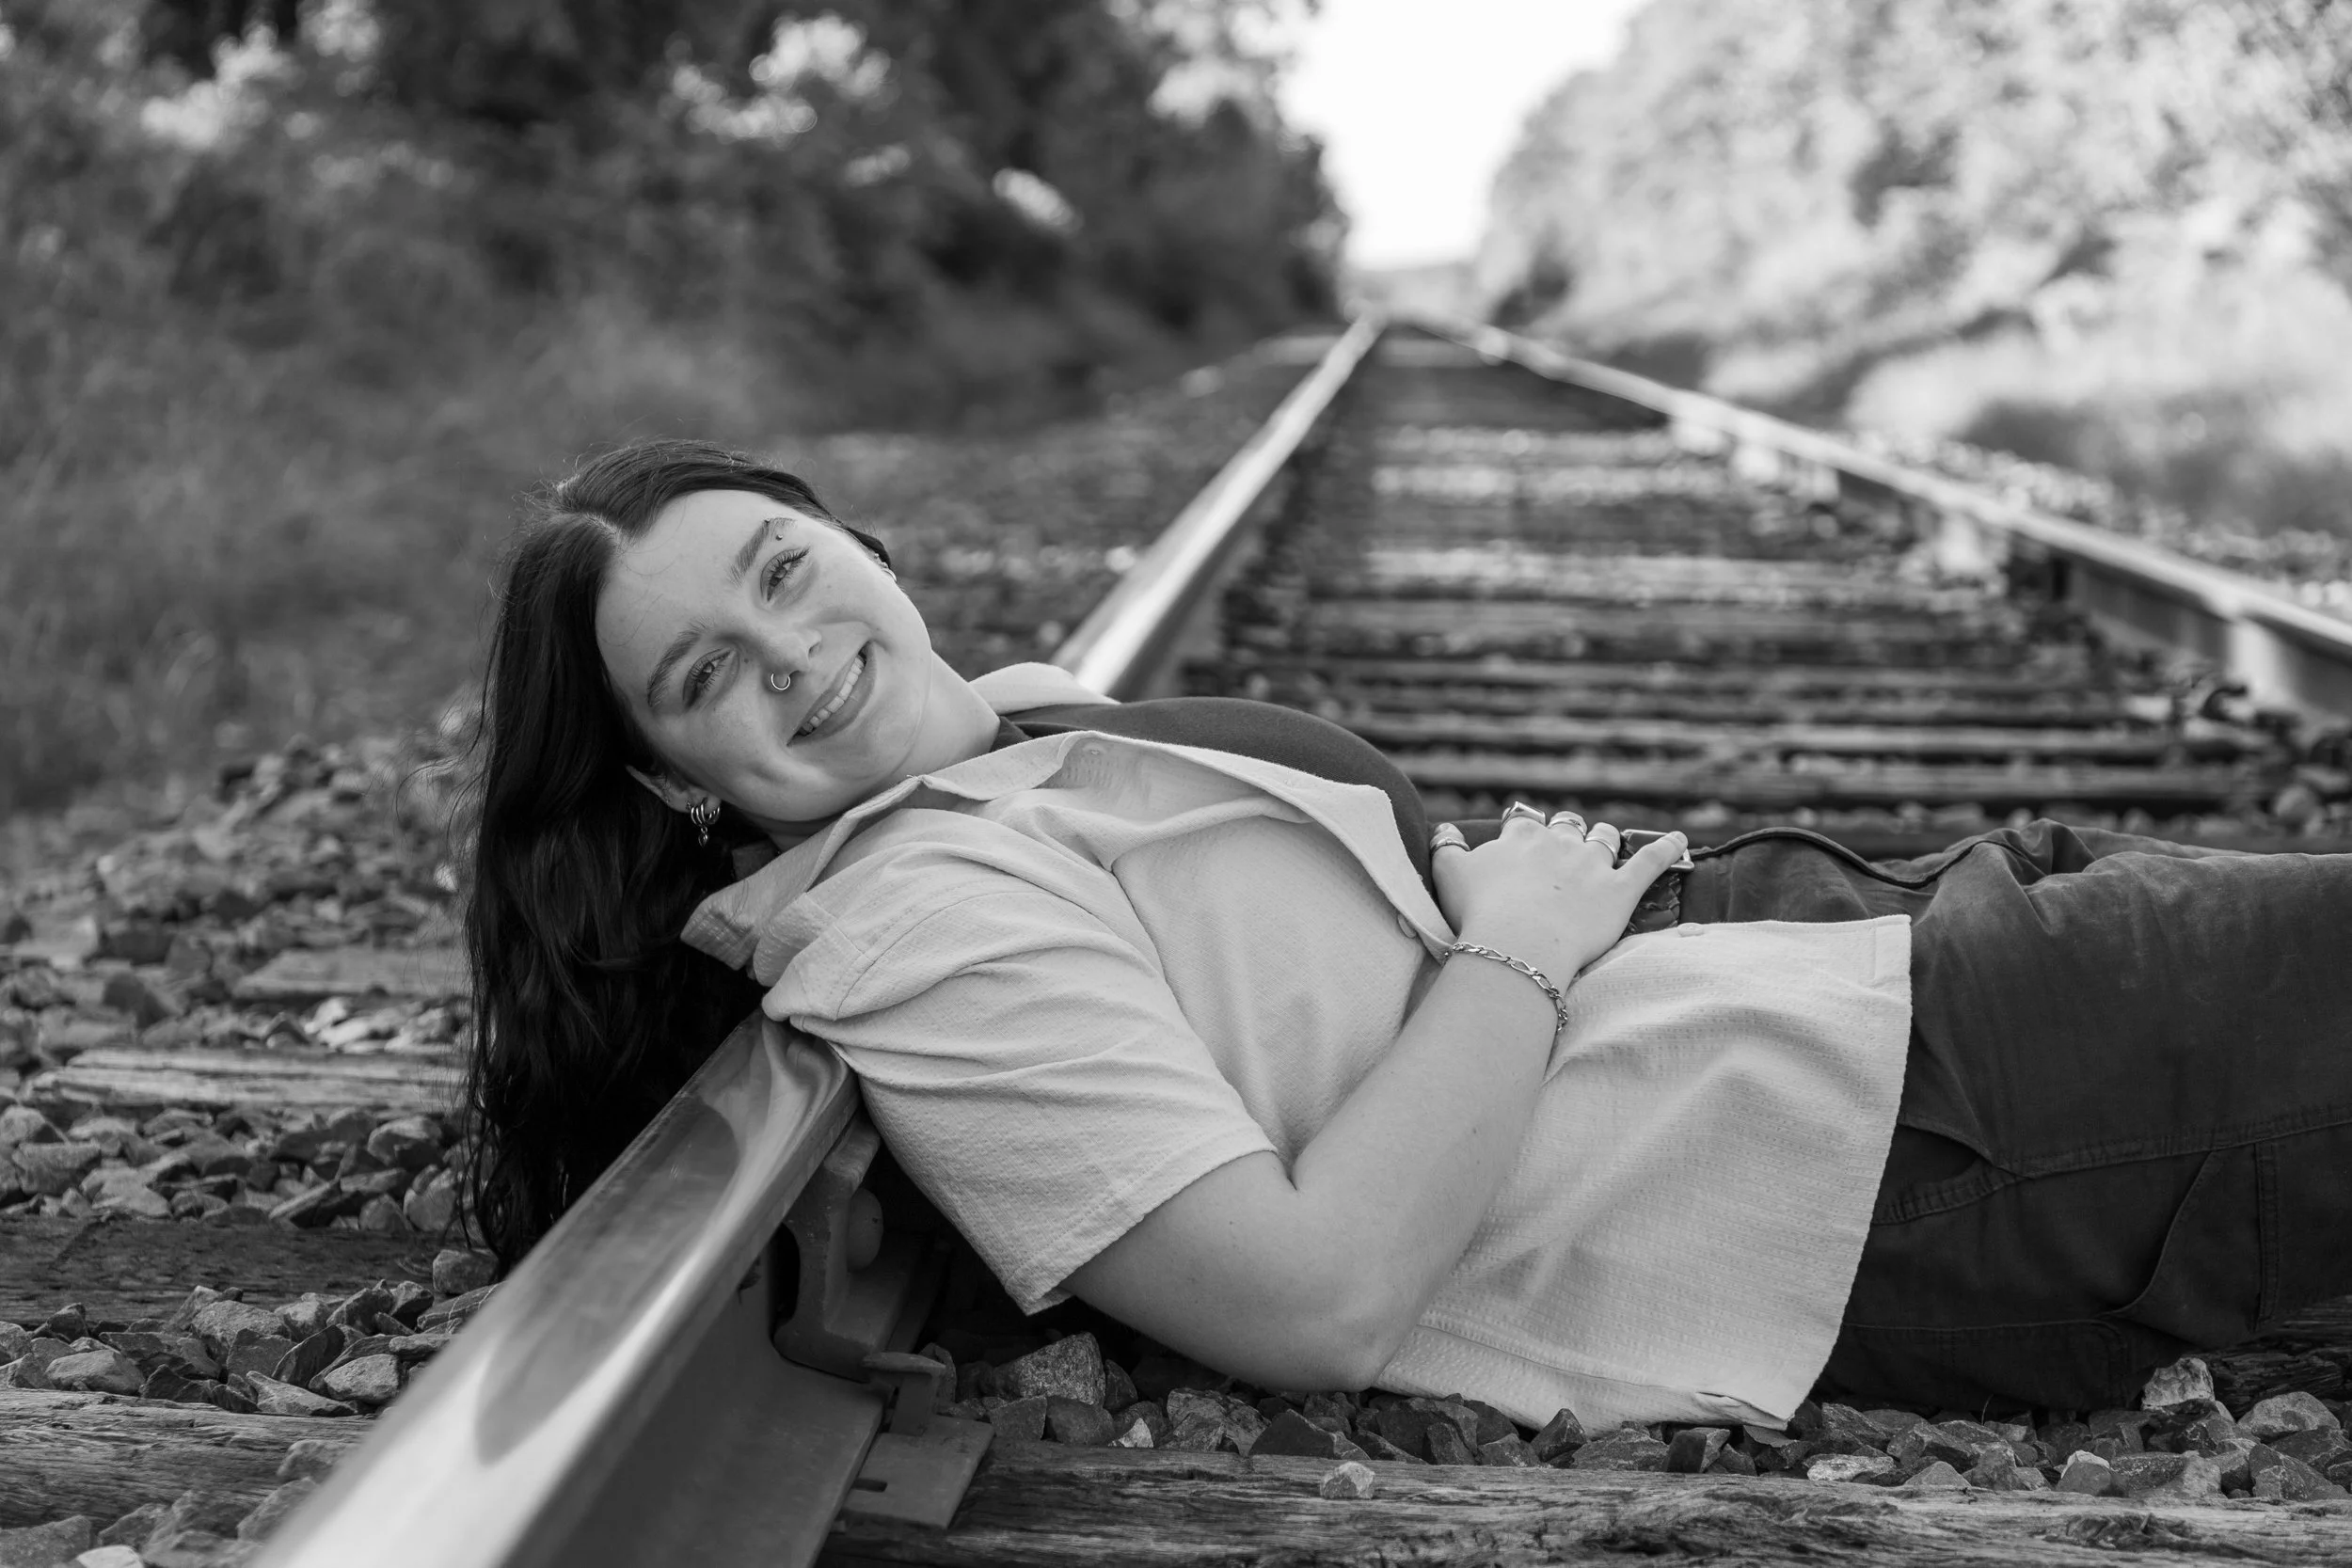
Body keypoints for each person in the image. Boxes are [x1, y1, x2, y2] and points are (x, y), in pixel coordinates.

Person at [466, 437, 2352, 1430]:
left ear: (848, 537)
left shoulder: (1013, 731)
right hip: (1879, 1142)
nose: (793, 654)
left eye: (783, 571)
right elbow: (1306, 1297)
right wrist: (1512, 950)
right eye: (705, 673)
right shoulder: (913, 929)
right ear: (670, 780)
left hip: (1835, 963)